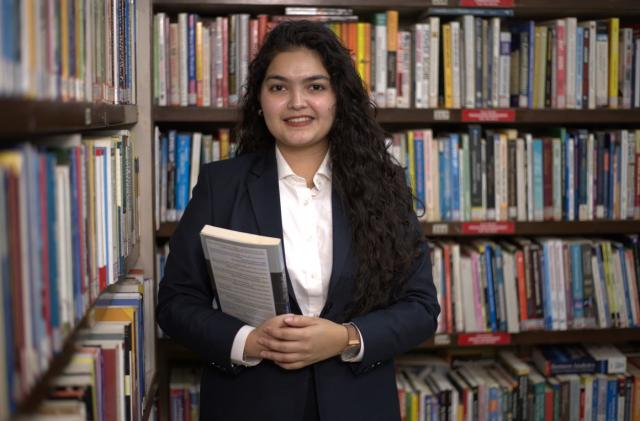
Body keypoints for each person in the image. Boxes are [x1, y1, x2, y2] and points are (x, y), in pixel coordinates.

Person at [156, 20, 440, 421]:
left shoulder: (383, 186)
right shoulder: (221, 185)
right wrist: (249, 341)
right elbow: (176, 302)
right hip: (251, 404)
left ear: (338, 97)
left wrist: (345, 337)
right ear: (260, 100)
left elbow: (421, 307)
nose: (296, 102)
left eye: (315, 87)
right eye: (278, 88)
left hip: (356, 404)